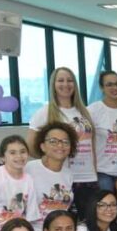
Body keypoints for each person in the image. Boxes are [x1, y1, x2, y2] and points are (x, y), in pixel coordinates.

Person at [26, 67, 97, 213]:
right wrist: (51, 160)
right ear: (53, 85)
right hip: (61, 177)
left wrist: (94, 172)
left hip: (88, 177)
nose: (66, 84)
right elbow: (31, 146)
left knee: (89, 224)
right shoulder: (44, 112)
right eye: (61, 80)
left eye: (70, 80)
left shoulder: (85, 112)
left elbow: (91, 146)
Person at [26, 123, 77, 231]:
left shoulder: (68, 174)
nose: (60, 145)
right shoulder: (29, 169)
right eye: (53, 141)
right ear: (43, 146)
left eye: (65, 142)